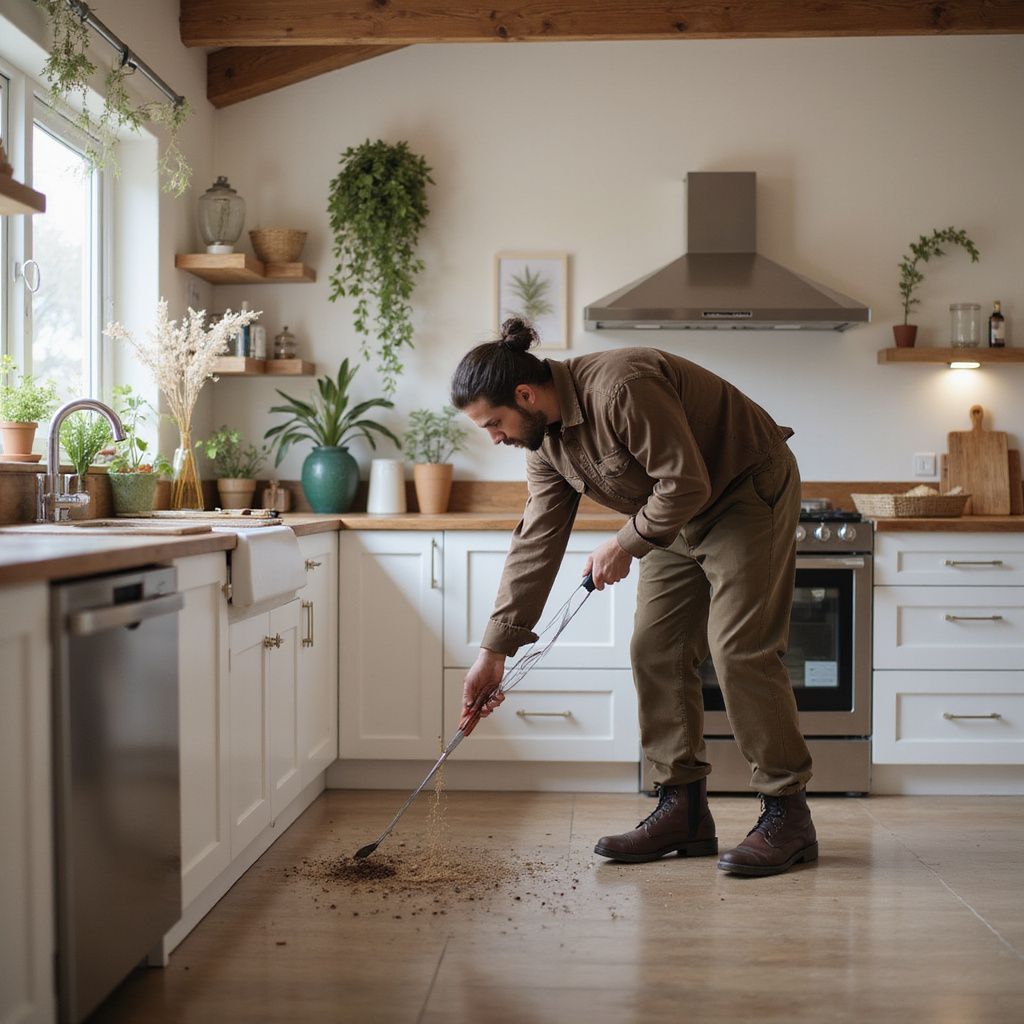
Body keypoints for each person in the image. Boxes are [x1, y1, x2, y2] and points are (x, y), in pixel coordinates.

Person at [450, 317, 818, 877]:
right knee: (654, 649)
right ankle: (683, 810)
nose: (494, 437)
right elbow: (537, 542)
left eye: (493, 423)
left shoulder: (621, 387)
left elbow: (687, 482)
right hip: (671, 512)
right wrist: (493, 652)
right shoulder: (543, 442)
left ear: (525, 395)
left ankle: (786, 814)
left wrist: (625, 543)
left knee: (738, 648)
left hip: (743, 491)